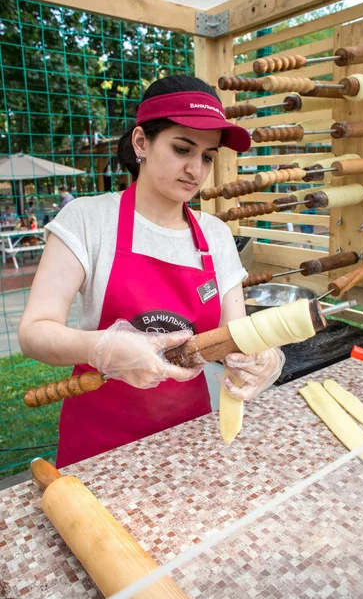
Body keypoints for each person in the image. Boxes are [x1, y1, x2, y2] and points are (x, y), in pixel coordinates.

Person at [18, 75, 285, 468]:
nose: (195, 169)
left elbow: (234, 336)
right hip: (98, 441)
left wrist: (261, 357)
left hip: (187, 435)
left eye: (208, 156)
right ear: (142, 142)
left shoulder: (216, 235)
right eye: (182, 149)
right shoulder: (89, 219)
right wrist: (100, 347)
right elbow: (34, 332)